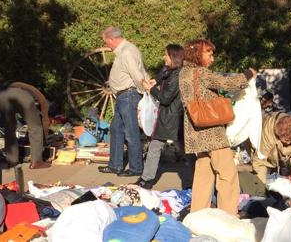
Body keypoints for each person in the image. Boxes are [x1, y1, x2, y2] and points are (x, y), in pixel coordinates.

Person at [179, 39, 255, 215]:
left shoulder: (183, 73)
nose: (212, 59)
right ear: (197, 53)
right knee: (227, 174)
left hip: (195, 130)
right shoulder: (200, 73)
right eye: (209, 54)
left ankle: (198, 214)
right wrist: (248, 74)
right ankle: (228, 216)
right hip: (211, 130)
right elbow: (227, 83)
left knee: (203, 175)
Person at [98, 26, 148, 176]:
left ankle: (136, 168)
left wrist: (145, 91)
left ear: (111, 39)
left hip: (128, 96)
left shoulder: (127, 52)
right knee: (116, 129)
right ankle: (115, 165)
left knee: (131, 132)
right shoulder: (126, 50)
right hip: (123, 97)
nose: (106, 44)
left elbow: (136, 74)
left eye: (106, 41)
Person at [135, 44, 185, 189]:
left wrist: (151, 89)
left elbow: (165, 98)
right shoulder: (171, 71)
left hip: (172, 117)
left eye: (166, 55)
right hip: (171, 117)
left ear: (173, 57)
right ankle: (146, 179)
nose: (163, 57)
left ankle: (146, 179)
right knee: (159, 147)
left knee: (161, 147)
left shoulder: (177, 76)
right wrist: (155, 81)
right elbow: (163, 73)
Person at [0, 82, 51, 169]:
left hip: (1, 97)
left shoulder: (4, 89)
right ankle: (37, 161)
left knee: (9, 129)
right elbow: (44, 114)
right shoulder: (36, 93)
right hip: (23, 99)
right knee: (36, 128)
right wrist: (45, 135)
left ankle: (12, 161)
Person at [250, 112, 291, 186]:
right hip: (263, 148)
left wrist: (290, 168)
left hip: (280, 155)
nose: (288, 143)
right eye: (286, 140)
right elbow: (259, 162)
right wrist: (260, 186)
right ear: (279, 135)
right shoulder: (267, 135)